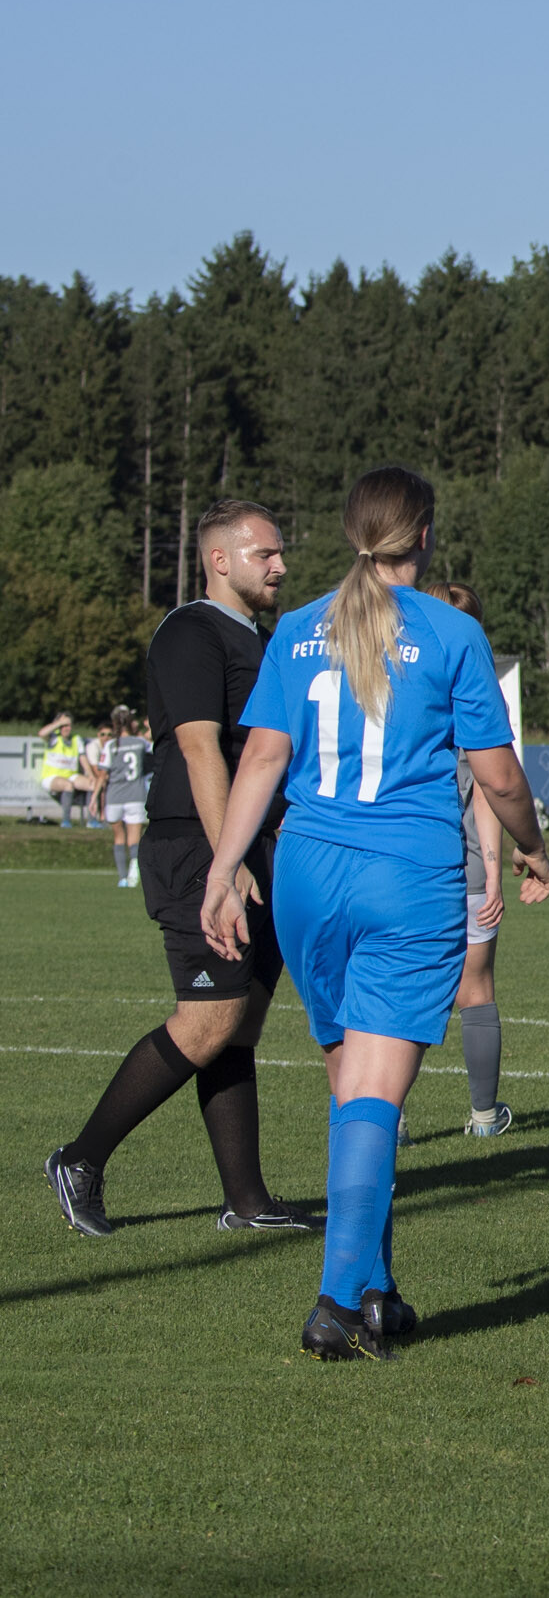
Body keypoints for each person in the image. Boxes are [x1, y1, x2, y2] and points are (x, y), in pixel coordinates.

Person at [201, 466, 549, 1362]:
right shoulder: (450, 630)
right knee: (374, 1093)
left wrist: (224, 867)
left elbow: (262, 761)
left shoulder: (297, 627)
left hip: (307, 877)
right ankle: (334, 1303)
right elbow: (501, 774)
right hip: (405, 878)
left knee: (355, 1090)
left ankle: (376, 1289)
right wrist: (533, 844)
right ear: (423, 535)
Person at [45, 503, 309, 1239]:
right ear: (219, 560)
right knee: (208, 1017)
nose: (281, 566)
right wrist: (228, 862)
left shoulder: (263, 640)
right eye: (265, 554)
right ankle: (79, 1159)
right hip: (200, 847)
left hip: (252, 849)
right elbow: (199, 748)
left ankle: (246, 1201)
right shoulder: (192, 631)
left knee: (239, 1023)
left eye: (279, 553)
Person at [425, 581, 515, 1137]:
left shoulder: (391, 675)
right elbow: (490, 786)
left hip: (401, 858)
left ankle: (390, 1120)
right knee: (476, 987)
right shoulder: (481, 687)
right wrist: (496, 869)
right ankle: (484, 1116)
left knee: (395, 991)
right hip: (466, 861)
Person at [102, 706, 155, 887]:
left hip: (114, 797)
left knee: (119, 837)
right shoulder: (140, 742)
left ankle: (122, 877)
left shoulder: (111, 745)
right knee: (134, 838)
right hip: (136, 795)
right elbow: (154, 747)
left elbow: (102, 775)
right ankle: (134, 871)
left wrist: (95, 798)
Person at [37, 711, 80, 824]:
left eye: (69, 725)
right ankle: (66, 821)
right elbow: (41, 733)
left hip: (70, 776)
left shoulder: (75, 739)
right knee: (68, 785)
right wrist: (58, 723)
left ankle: (93, 821)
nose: (67, 728)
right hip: (51, 777)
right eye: (63, 725)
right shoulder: (54, 737)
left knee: (92, 783)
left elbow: (83, 759)